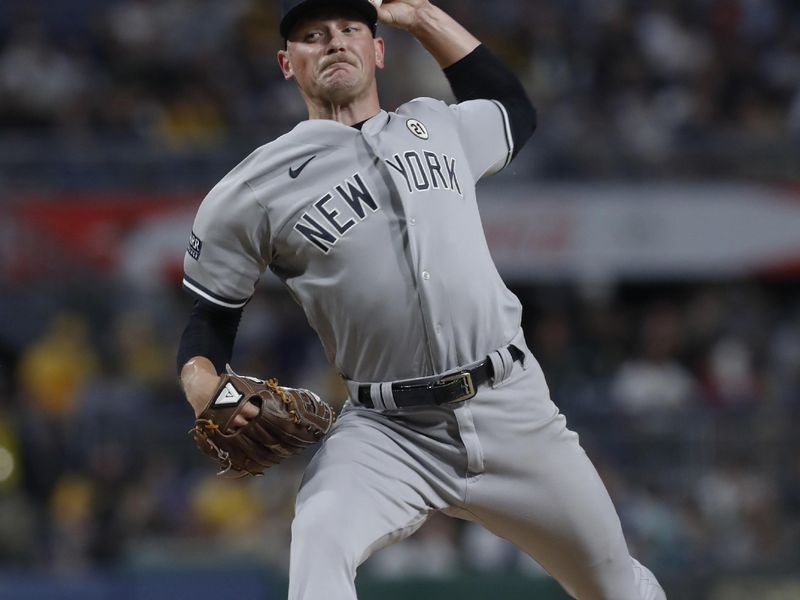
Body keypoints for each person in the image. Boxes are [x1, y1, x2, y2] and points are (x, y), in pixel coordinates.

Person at [176, 1, 667, 598]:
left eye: (350, 29)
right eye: (312, 36)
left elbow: (513, 107)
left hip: (512, 409)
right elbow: (209, 323)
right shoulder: (252, 189)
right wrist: (209, 390)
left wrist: (420, 15)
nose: (333, 42)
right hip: (389, 431)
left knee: (616, 584)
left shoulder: (438, 124)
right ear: (288, 63)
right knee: (320, 531)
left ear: (377, 51)